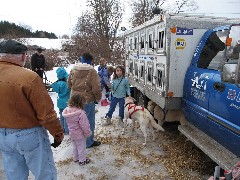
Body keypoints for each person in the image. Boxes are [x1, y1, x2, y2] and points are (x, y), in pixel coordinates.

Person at [0, 39, 64, 179]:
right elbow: (46, 114)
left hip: (3, 136)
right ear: (23, 56)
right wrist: (58, 133)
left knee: (14, 176)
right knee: (45, 175)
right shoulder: (29, 77)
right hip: (28, 135)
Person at [68, 52, 102, 148]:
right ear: (90, 61)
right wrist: (98, 98)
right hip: (87, 100)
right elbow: (96, 88)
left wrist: (74, 90)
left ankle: (77, 140)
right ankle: (88, 142)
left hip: (74, 100)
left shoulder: (73, 69)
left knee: (76, 121)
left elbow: (69, 83)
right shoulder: (92, 71)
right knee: (88, 122)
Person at [62, 94, 92, 165]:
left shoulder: (68, 111)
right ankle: (82, 160)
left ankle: (75, 158)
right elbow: (84, 125)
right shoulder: (81, 113)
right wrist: (87, 133)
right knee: (81, 147)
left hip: (72, 132)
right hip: (79, 134)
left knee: (75, 146)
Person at [51, 67, 71, 135]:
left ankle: (62, 129)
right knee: (66, 117)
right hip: (66, 102)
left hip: (60, 102)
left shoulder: (58, 84)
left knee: (61, 116)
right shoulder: (66, 84)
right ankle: (67, 130)